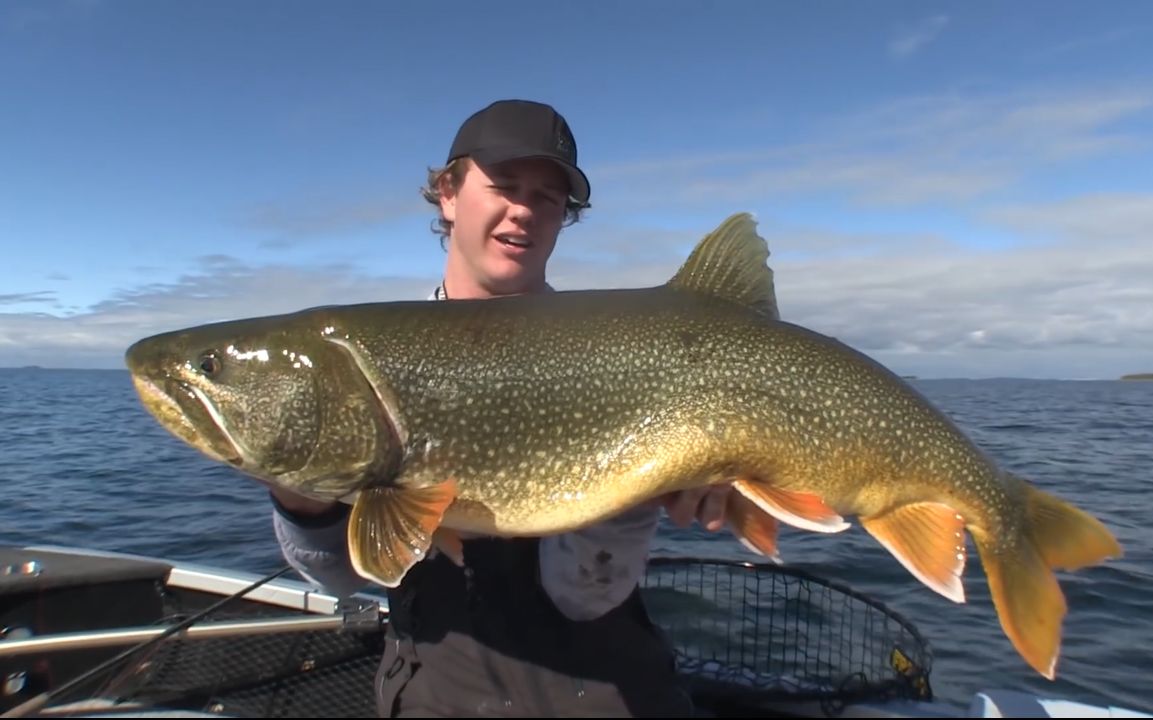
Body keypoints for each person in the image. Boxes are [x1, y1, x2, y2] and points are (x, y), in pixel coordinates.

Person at [269, 99, 731, 718]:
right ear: (448, 193)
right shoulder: (369, 366)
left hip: (611, 696)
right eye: (505, 185)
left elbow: (586, 596)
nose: (524, 210)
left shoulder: (610, 358)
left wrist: (641, 494)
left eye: (548, 197)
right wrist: (300, 501)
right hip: (436, 696)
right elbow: (342, 582)